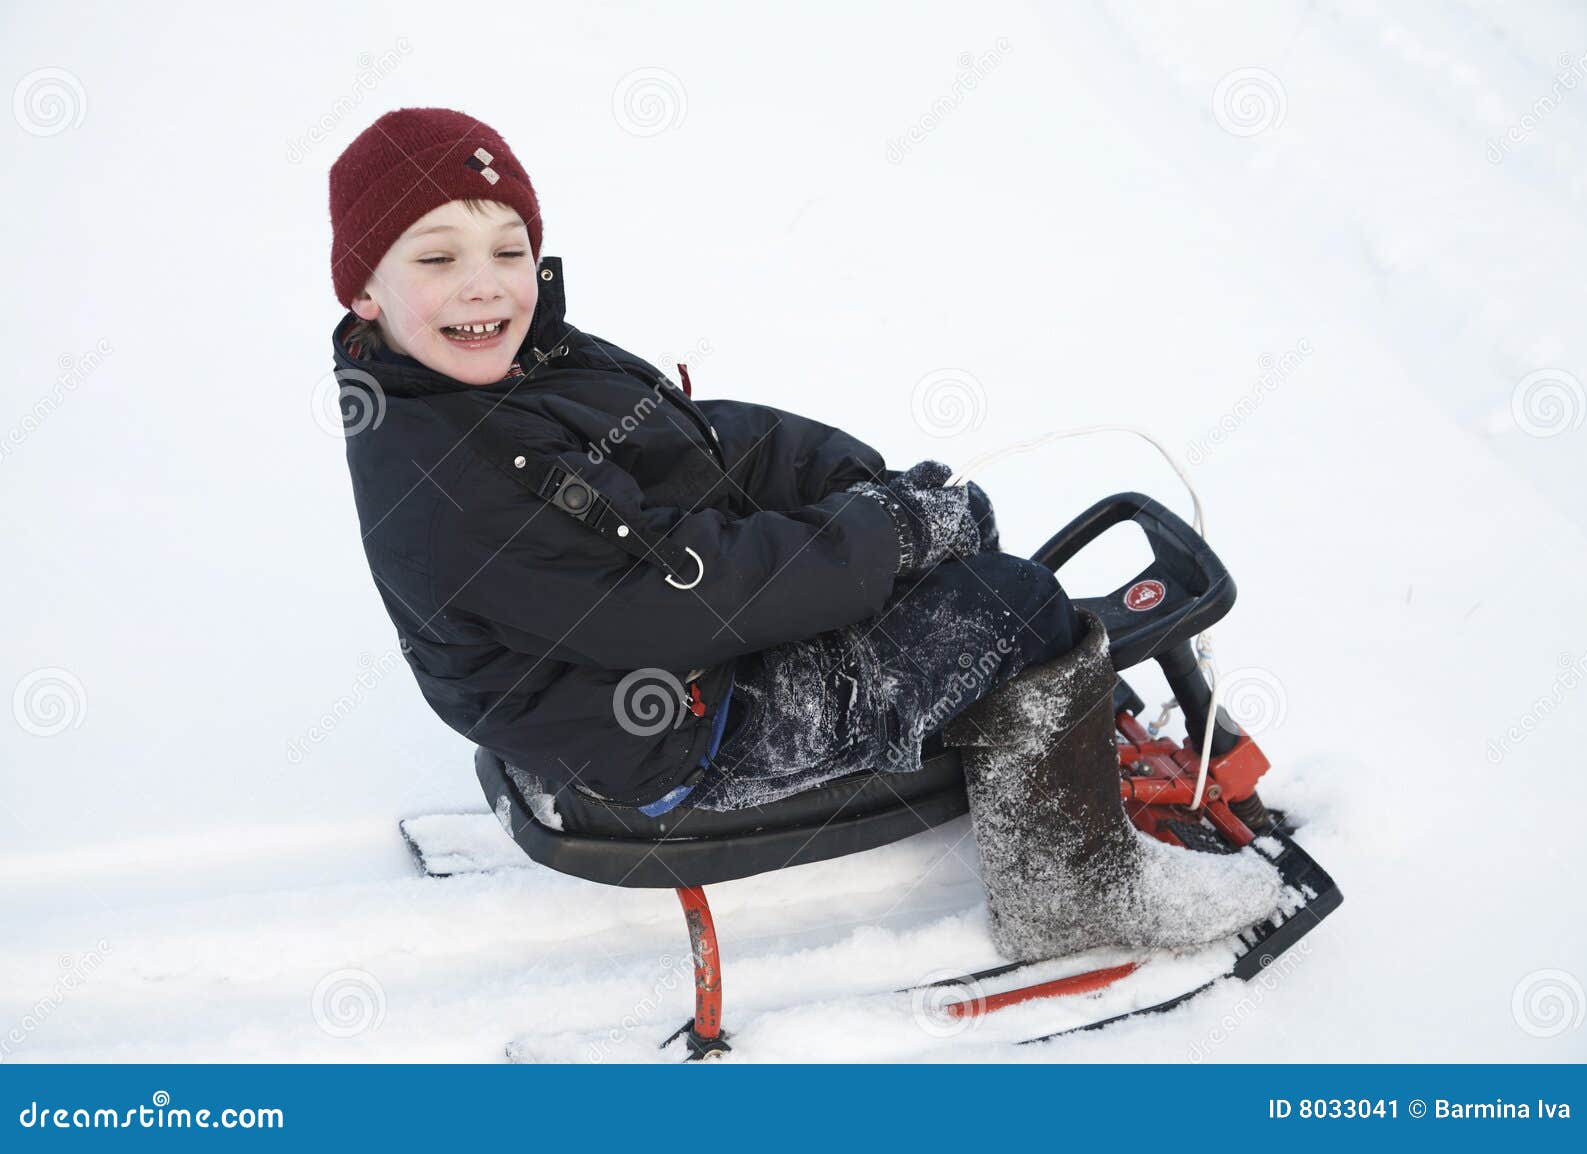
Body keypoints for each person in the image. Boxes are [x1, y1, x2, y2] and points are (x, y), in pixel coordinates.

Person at [328, 107, 1280, 960]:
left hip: (619, 688)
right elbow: (668, 603)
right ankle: (1079, 894)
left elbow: (691, 447)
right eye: (437, 257)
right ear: (364, 289)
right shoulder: (460, 475)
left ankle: (1008, 721)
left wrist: (852, 484)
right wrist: (889, 540)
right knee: (1015, 605)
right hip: (675, 732)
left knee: (936, 572)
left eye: (506, 249)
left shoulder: (506, 372)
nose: (485, 286)